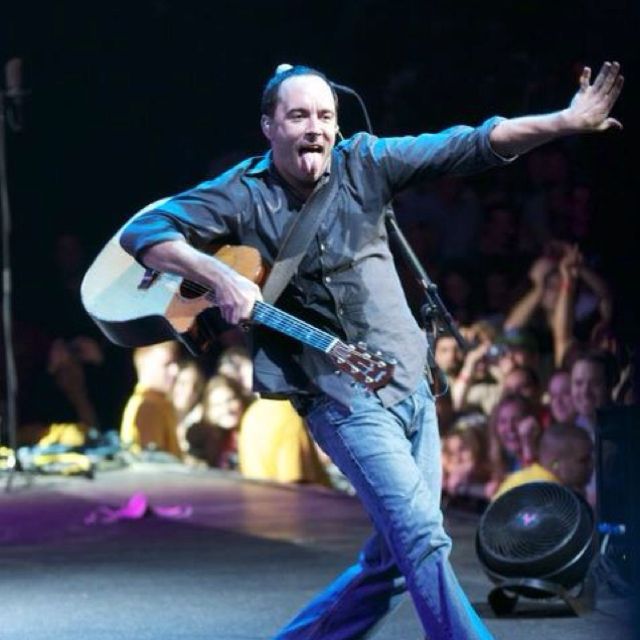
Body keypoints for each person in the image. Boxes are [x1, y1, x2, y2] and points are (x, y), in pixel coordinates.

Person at [118, 62, 623, 640]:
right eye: (299, 115)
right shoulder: (242, 192)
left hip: (411, 381)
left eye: (325, 116)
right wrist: (215, 273)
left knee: (395, 563)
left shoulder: (367, 161)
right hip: (339, 396)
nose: (315, 127)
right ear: (268, 125)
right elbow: (144, 232)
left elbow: (471, 143)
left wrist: (562, 120)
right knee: (423, 539)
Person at [493, 422, 593, 501]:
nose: (591, 466)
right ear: (556, 465)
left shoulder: (527, 477)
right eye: (584, 460)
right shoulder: (549, 495)